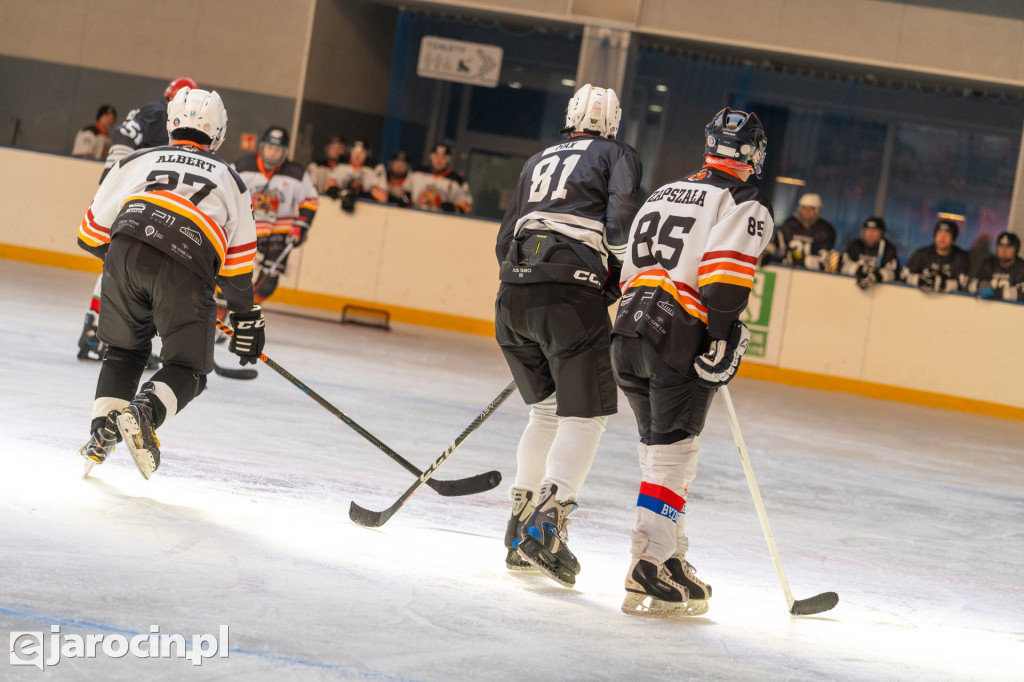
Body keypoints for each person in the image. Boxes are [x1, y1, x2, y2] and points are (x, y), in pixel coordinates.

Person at [611, 107, 773, 617]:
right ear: (752, 152)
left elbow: (627, 263)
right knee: (674, 453)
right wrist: (721, 337)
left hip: (628, 328)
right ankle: (648, 562)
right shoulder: (742, 199)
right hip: (678, 332)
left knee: (658, 450)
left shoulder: (663, 191)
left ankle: (672, 557)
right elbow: (724, 279)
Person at [495, 84, 643, 588]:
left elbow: (504, 239)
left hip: (511, 297)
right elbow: (620, 225)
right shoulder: (618, 154)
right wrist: (613, 278)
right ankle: (546, 527)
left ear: (570, 117)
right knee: (588, 415)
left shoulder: (538, 158)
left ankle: (519, 525)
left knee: (544, 411)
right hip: (569, 294)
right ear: (613, 122)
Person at [76, 87, 263, 480]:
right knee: (189, 368)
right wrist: (246, 319)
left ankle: (100, 437)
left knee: (124, 352)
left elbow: (90, 236)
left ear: (171, 123)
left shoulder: (137, 159)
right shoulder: (232, 179)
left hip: (124, 253)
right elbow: (237, 270)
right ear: (219, 133)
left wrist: (134, 268)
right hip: (187, 265)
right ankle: (144, 412)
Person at [77, 77, 197, 361]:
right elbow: (123, 136)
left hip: (126, 196)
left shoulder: (161, 116)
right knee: (125, 262)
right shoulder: (157, 112)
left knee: (122, 262)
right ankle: (99, 332)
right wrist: (119, 178)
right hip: (129, 199)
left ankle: (97, 332)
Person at [234, 126, 319, 303]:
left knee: (268, 283)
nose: (272, 153)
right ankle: (221, 312)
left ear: (285, 152)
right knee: (233, 274)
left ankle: (247, 310)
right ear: (261, 147)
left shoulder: (296, 173)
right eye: (269, 148)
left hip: (279, 232)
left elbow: (310, 200)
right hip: (246, 229)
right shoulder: (242, 167)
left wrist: (300, 226)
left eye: (277, 149)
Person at [901, 219, 970, 293]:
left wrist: (944, 284)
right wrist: (919, 280)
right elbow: (903, 276)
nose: (942, 238)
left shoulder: (961, 257)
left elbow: (965, 283)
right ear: (935, 235)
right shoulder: (922, 254)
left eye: (947, 235)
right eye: (940, 233)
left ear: (953, 239)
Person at [770, 192, 835, 270]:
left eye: (811, 209)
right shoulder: (789, 225)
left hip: (811, 274)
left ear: (817, 211)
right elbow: (775, 246)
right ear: (799, 209)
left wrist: (800, 260)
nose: (807, 212)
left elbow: (824, 260)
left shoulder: (826, 230)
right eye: (804, 208)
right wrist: (768, 254)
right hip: (785, 270)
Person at [324, 139, 387, 212]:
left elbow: (383, 197)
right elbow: (328, 187)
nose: (357, 156)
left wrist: (359, 195)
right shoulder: (341, 165)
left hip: (367, 211)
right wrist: (338, 192)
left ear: (367, 154)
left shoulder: (375, 168)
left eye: (361, 152)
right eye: (354, 151)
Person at [408, 143, 472, 214]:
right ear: (431, 156)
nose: (439, 160)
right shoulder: (417, 173)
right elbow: (406, 194)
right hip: (416, 217)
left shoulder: (458, 181)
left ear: (448, 159)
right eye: (436, 156)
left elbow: (467, 206)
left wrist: (453, 208)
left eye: (443, 157)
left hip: (441, 221)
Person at [840, 216, 900, 289]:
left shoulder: (888, 248)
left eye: (875, 231)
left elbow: (893, 273)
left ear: (882, 233)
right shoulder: (855, 245)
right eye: (867, 230)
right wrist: (859, 271)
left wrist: (875, 276)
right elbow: (842, 265)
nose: (870, 234)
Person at [968, 231, 1024, 300]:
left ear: (1016, 249)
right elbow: (970, 285)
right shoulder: (989, 263)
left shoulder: (1021, 267)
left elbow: (1022, 294)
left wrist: (994, 292)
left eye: (1008, 246)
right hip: (987, 309)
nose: (1004, 250)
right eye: (1000, 246)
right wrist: (979, 284)